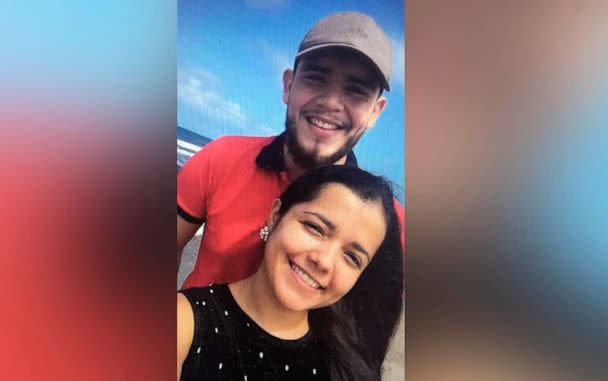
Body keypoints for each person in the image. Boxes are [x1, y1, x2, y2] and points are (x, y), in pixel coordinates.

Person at [177, 11, 404, 288]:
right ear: (288, 86)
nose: (332, 103)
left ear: (374, 113)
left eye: (356, 91)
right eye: (316, 78)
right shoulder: (220, 158)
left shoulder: (388, 226)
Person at [177, 166, 404, 381]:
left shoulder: (348, 361)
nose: (324, 261)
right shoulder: (182, 323)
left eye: (352, 258)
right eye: (315, 228)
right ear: (276, 216)